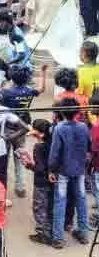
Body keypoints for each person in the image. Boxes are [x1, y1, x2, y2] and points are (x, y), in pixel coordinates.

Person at [49, 98, 91, 248]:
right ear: (77, 112)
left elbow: (55, 153)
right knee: (81, 199)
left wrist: (51, 170)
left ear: (61, 112)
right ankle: (83, 233)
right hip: (79, 169)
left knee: (60, 201)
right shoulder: (83, 127)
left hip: (63, 170)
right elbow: (89, 147)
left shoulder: (59, 128)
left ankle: (58, 237)